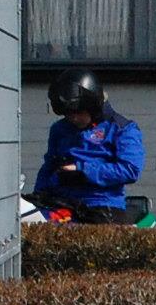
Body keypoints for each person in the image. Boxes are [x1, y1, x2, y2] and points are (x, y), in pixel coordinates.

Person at [32, 68, 145, 224]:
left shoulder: (122, 129)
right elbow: (49, 166)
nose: (73, 119)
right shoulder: (59, 129)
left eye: (77, 113)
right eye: (68, 114)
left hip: (101, 204)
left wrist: (83, 171)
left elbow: (130, 170)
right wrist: (39, 193)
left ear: (92, 107)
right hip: (62, 202)